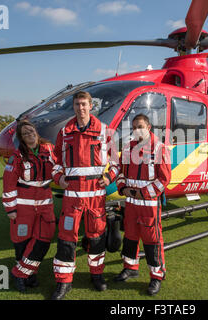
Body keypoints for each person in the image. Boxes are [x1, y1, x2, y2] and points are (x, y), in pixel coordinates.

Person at [50, 91, 119, 300]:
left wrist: (108, 178)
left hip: (96, 197)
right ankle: (64, 282)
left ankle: (96, 276)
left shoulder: (105, 131)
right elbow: (55, 163)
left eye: (84, 104)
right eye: (77, 104)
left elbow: (116, 162)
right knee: (66, 239)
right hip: (72, 197)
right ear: (74, 107)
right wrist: (59, 177)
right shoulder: (64, 132)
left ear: (91, 106)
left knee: (96, 237)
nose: (80, 108)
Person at [113, 114, 171, 296]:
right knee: (130, 237)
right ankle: (130, 267)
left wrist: (143, 193)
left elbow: (164, 179)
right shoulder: (128, 148)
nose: (137, 130)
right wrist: (123, 188)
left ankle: (156, 276)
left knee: (152, 241)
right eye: (134, 127)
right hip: (130, 204)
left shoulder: (160, 148)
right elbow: (121, 174)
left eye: (140, 126)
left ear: (149, 127)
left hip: (149, 206)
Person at [1, 120, 57, 293]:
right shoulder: (17, 157)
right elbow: (9, 184)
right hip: (23, 206)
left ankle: (19, 274)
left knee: (43, 240)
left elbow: (59, 168)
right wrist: (10, 209)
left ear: (36, 132)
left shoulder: (49, 150)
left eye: (31, 131)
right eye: (25, 134)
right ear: (21, 138)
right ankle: (30, 276)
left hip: (45, 204)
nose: (29, 135)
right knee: (22, 242)